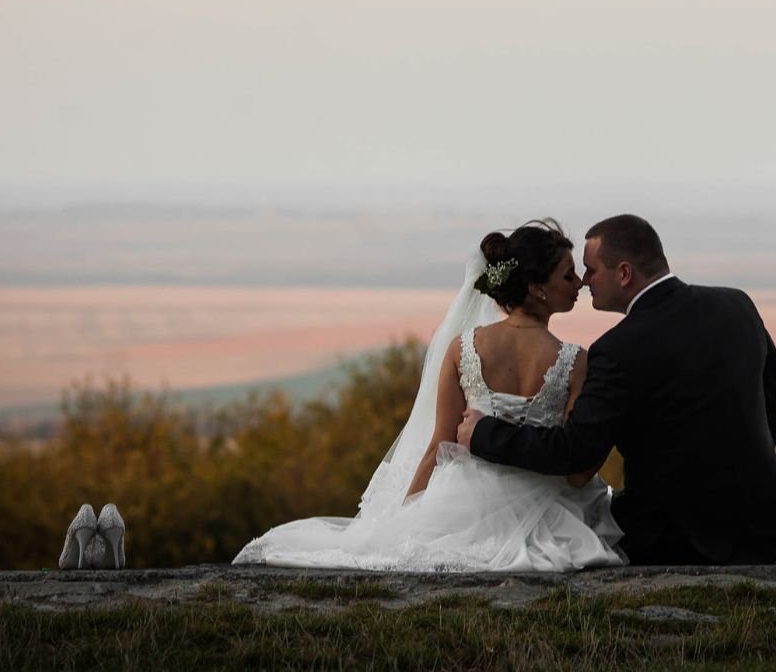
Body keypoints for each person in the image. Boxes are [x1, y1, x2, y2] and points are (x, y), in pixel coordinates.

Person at [233, 219, 623, 571]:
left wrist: (408, 514)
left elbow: (440, 444)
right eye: (569, 276)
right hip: (550, 510)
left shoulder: (464, 348)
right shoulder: (575, 360)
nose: (580, 284)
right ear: (538, 288)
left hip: (465, 504)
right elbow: (576, 472)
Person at [459, 214, 776, 565]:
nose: (584, 281)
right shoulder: (736, 305)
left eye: (592, 270)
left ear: (623, 274)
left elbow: (575, 451)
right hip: (767, 522)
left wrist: (484, 433)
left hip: (676, 538)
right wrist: (739, 464)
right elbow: (775, 395)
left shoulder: (617, 349)